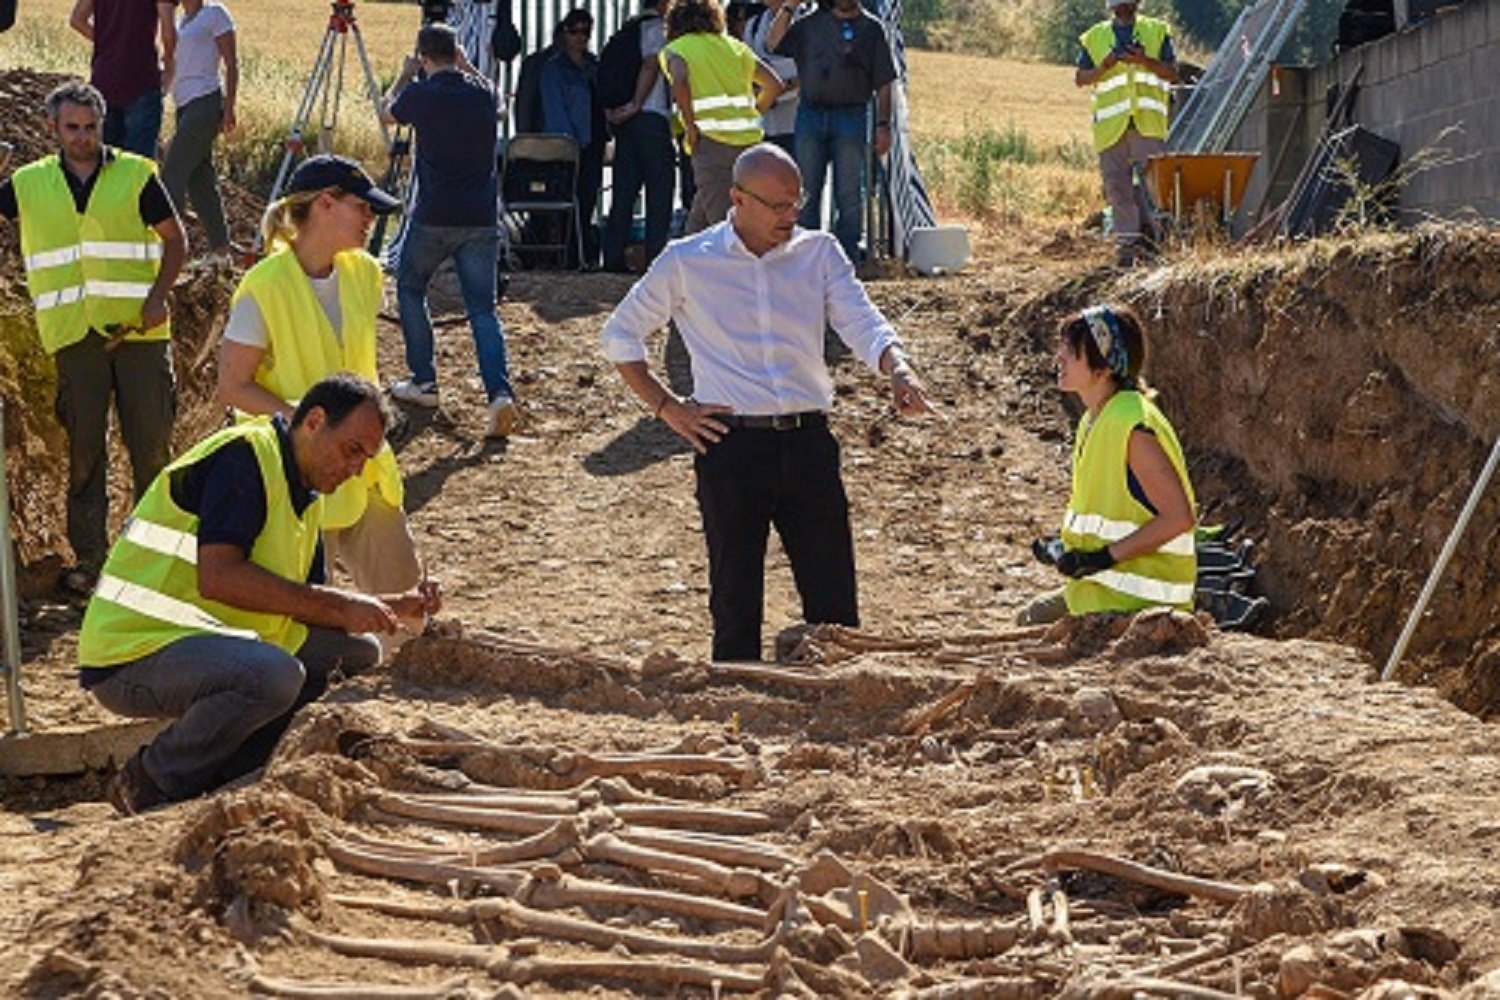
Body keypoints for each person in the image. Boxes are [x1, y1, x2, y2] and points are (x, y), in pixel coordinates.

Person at [601, 143, 934, 661]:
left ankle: (839, 711)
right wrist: (668, 408)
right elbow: (621, 336)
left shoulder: (819, 253)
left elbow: (861, 320)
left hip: (808, 442)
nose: (789, 215)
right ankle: (738, 720)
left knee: (834, 600)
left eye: (795, 203)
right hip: (730, 446)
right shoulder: (688, 261)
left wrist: (898, 367)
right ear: (737, 198)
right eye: (777, 205)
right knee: (735, 600)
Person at [78, 374, 443, 814]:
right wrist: (342, 605)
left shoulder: (306, 490)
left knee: (358, 653)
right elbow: (221, 577)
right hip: (132, 653)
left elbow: (298, 600)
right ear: (314, 421)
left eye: (365, 459)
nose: (356, 470)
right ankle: (151, 782)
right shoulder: (245, 456)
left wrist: (391, 605)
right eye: (353, 450)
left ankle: (231, 776)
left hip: (198, 643)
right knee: (274, 675)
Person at [0, 80, 186, 594]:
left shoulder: (136, 174)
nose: (82, 137)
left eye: (90, 127)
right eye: (72, 128)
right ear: (52, 129)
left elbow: (176, 241)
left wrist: (156, 298)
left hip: (139, 335)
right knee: (85, 453)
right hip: (74, 336)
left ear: (101, 125)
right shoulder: (27, 183)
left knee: (150, 448)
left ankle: (154, 559)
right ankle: (92, 562)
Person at [216, 155, 422, 609]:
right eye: (362, 208)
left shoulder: (365, 274)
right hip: (297, 477)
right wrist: (308, 426)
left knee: (407, 605)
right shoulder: (264, 286)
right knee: (307, 618)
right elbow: (232, 388)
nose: (371, 219)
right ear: (326, 203)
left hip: (366, 470)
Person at [380, 22, 519, 436]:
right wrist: (471, 67)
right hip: (480, 216)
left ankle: (424, 379)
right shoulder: (481, 94)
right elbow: (501, 107)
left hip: (434, 213)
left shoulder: (421, 94)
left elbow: (386, 113)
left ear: (423, 56)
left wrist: (405, 75)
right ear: (456, 53)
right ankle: (499, 394)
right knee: (482, 309)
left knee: (410, 287)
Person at [1020, 304, 1196, 623]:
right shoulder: (1096, 418)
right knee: (1031, 616)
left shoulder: (1130, 425)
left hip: (1141, 603)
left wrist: (1101, 558)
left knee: (1032, 622)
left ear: (1103, 370)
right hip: (1103, 590)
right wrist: (1070, 549)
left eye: (1071, 351)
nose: (1058, 357)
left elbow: (1179, 518)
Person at [767, 0, 896, 263]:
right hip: (810, 115)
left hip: (852, 115)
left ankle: (844, 260)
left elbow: (885, 83)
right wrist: (790, 6)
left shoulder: (872, 29)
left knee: (848, 194)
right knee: (805, 192)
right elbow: (773, 42)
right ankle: (803, 257)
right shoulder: (809, 24)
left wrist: (884, 125)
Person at [661, 0, 784, 234]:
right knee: (700, 218)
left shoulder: (677, 49)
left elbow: (680, 79)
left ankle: (733, 268)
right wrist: (753, 114)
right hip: (749, 143)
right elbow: (774, 85)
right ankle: (686, 265)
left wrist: (690, 126)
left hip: (711, 141)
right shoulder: (735, 47)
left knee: (723, 225)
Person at [1074, 0, 1177, 267]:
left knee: (1155, 188)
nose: (1124, 7)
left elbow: (1173, 74)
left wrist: (1144, 60)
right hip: (1111, 127)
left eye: (1128, 3)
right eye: (1119, 4)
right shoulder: (1095, 37)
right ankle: (1128, 247)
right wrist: (1105, 66)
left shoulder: (1156, 31)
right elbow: (1081, 78)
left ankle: (1160, 243)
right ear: (1111, 6)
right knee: (1117, 188)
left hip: (1147, 123)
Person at [600, 0, 675, 273]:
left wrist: (622, 110)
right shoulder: (657, 29)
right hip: (650, 116)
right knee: (660, 191)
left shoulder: (626, 31)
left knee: (624, 192)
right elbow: (651, 64)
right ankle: (655, 261)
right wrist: (636, 103)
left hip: (625, 123)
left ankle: (612, 257)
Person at [160, 0, 237, 256]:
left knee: (172, 174)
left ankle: (172, 252)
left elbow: (231, 63)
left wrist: (229, 108)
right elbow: (174, 68)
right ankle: (222, 250)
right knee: (200, 180)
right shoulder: (180, 22)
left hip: (205, 101)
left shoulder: (215, 14)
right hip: (184, 105)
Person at [540, 8, 606, 268]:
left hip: (594, 140)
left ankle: (580, 253)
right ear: (564, 32)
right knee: (566, 200)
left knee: (588, 197)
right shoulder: (554, 69)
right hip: (567, 145)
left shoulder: (594, 65)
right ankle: (565, 256)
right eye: (574, 31)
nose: (580, 37)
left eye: (585, 32)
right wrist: (567, 144)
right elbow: (554, 109)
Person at [68, 0, 177, 157]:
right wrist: (169, 65)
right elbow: (168, 33)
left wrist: (107, 42)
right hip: (142, 78)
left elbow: (77, 20)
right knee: (138, 165)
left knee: (105, 163)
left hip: (104, 78)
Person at [745, 0, 798, 156]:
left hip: (798, 124)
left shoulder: (807, 20)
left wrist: (783, 87)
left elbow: (813, 69)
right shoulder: (753, 25)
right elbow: (747, 67)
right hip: (763, 125)